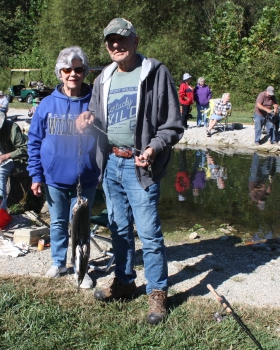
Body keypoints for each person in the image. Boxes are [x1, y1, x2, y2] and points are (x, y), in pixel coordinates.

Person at [76, 18, 184, 325]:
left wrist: (153, 148)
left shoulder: (156, 73)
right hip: (111, 164)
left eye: (121, 39)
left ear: (135, 41)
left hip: (141, 166)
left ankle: (157, 293)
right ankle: (124, 282)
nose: (115, 45)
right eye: (110, 41)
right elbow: (96, 117)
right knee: (118, 229)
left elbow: (173, 124)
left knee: (149, 234)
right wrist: (86, 119)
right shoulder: (103, 78)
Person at [27, 47, 98, 288]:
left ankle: (81, 268)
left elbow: (107, 138)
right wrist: (36, 175)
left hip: (86, 178)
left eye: (78, 69)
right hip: (54, 177)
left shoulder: (94, 102)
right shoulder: (46, 104)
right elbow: (34, 142)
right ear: (60, 73)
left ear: (84, 72)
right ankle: (58, 262)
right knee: (57, 223)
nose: (73, 74)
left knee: (81, 226)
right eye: (67, 69)